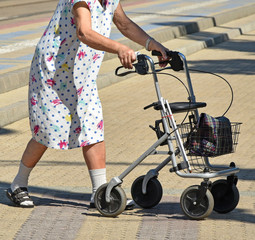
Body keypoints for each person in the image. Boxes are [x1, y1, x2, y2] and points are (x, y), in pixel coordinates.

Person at [6, 0, 169, 208]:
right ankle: (18, 184)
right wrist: (119, 48)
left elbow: (124, 24)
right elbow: (84, 32)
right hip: (54, 70)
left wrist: (153, 44)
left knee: (93, 126)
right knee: (48, 129)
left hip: (82, 71)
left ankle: (100, 194)